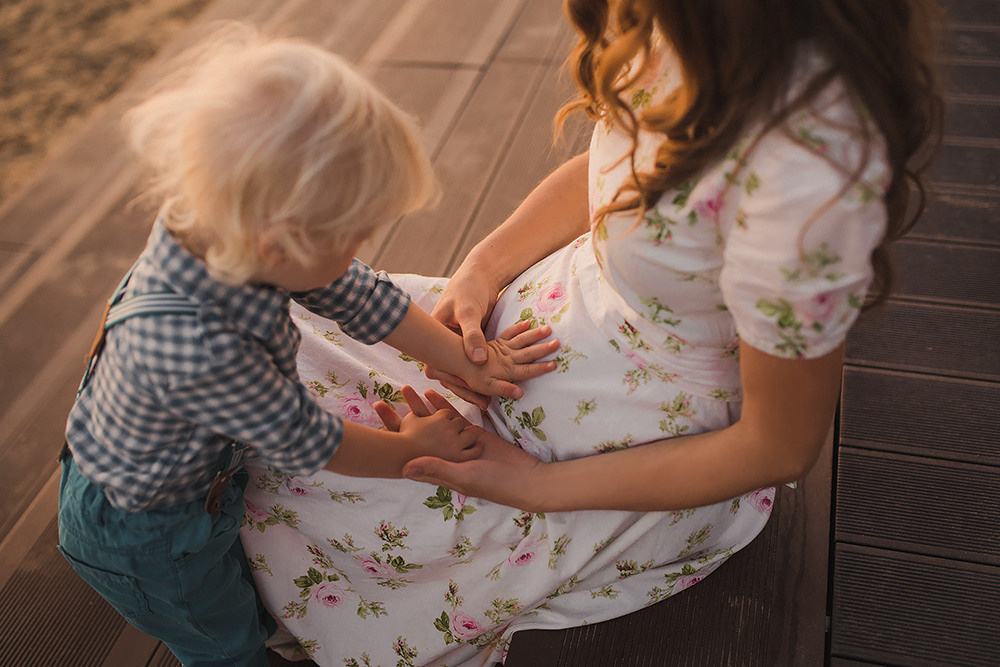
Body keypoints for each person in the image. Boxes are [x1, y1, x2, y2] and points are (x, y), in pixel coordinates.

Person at [240, 1, 944, 664]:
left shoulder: (802, 183)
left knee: (313, 505)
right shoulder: (677, 26)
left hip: (630, 452)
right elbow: (610, 178)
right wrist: (481, 270)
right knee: (283, 334)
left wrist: (535, 487)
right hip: (552, 310)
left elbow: (779, 445)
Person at [56, 26, 559, 667]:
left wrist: (461, 356)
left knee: (237, 595)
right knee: (221, 638)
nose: (359, 252)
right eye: (352, 236)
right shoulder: (198, 345)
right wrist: (412, 450)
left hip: (162, 458)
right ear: (281, 244)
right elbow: (309, 440)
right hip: (151, 533)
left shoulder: (224, 222)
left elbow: (355, 293)